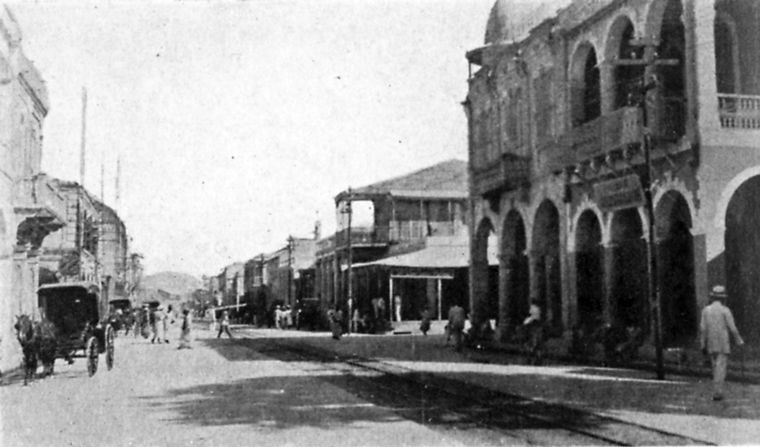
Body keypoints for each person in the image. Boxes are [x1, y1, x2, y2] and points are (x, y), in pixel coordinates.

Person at [700, 285, 744, 401]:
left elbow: (703, 329)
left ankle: (717, 391)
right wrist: (739, 340)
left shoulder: (706, 310)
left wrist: (702, 344)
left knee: (715, 367)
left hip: (711, 342)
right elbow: (732, 328)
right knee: (721, 368)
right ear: (723, 298)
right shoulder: (725, 310)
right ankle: (718, 392)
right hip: (723, 343)